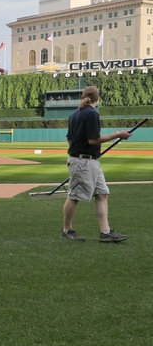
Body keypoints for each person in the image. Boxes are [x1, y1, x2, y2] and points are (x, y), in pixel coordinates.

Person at [61, 86, 130, 242]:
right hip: (83, 162)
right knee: (74, 196)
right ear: (97, 98)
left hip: (89, 161)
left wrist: (80, 147)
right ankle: (67, 230)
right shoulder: (92, 114)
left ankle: (105, 232)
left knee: (102, 193)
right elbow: (93, 139)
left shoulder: (74, 115)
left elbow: (69, 139)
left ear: (83, 96)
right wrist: (118, 135)